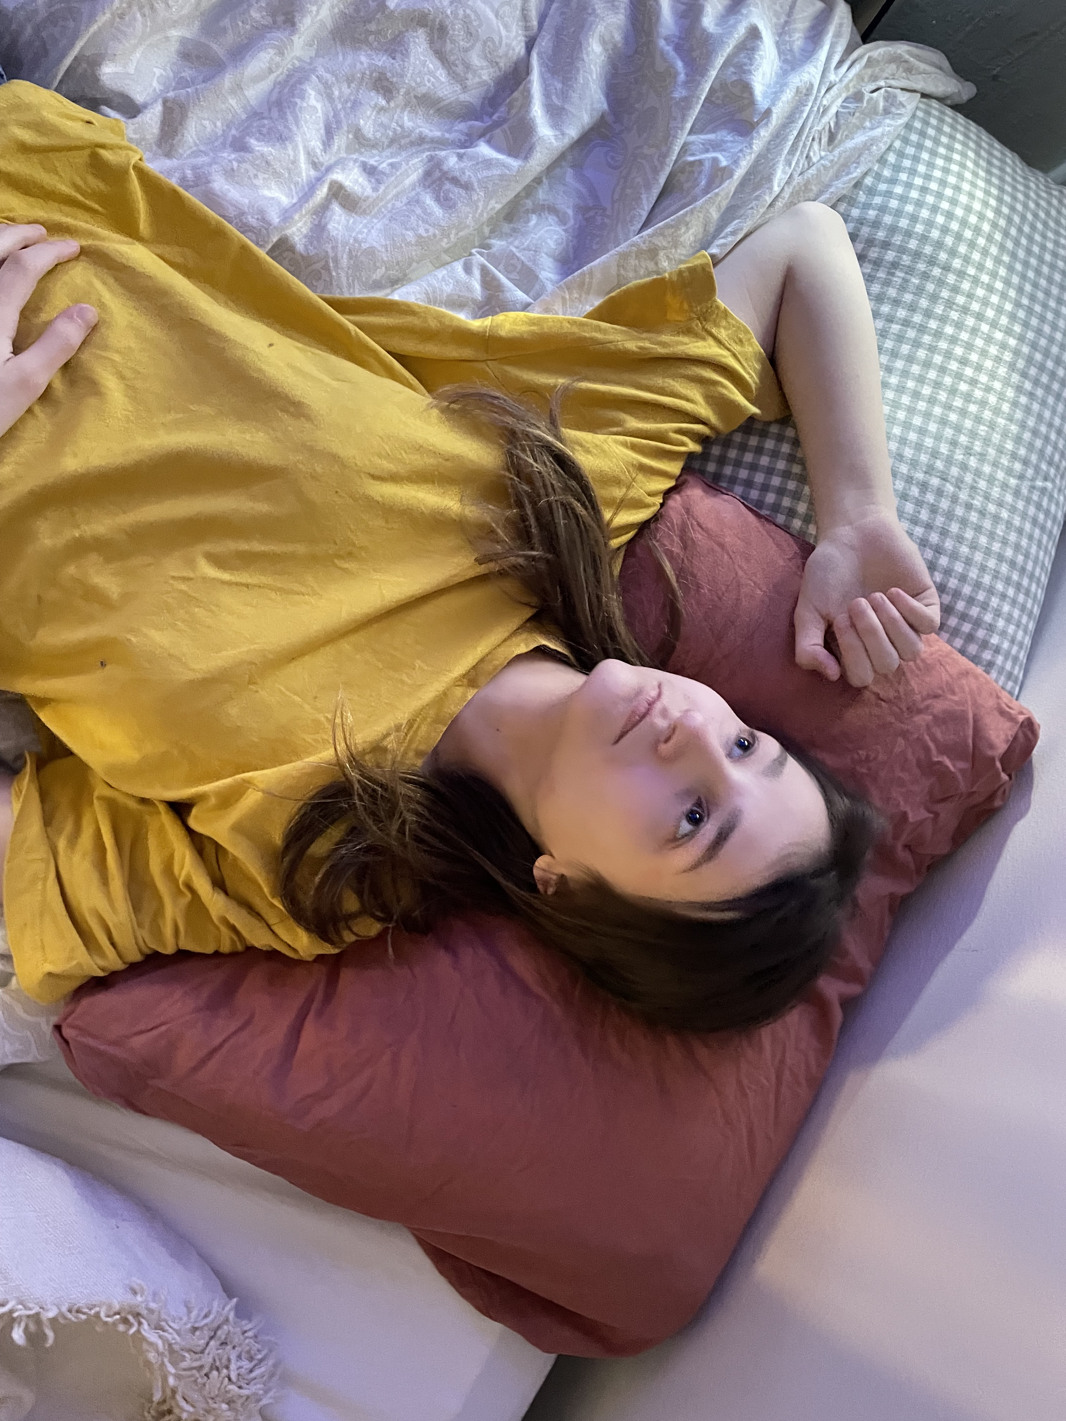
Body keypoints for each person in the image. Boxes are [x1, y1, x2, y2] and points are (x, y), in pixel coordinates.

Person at [0, 83, 938, 1033]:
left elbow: (23, 852)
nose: (692, 732)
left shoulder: (320, 864)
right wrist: (859, 516)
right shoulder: (569, 501)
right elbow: (802, 251)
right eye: (744, 746)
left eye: (692, 817)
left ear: (566, 886)